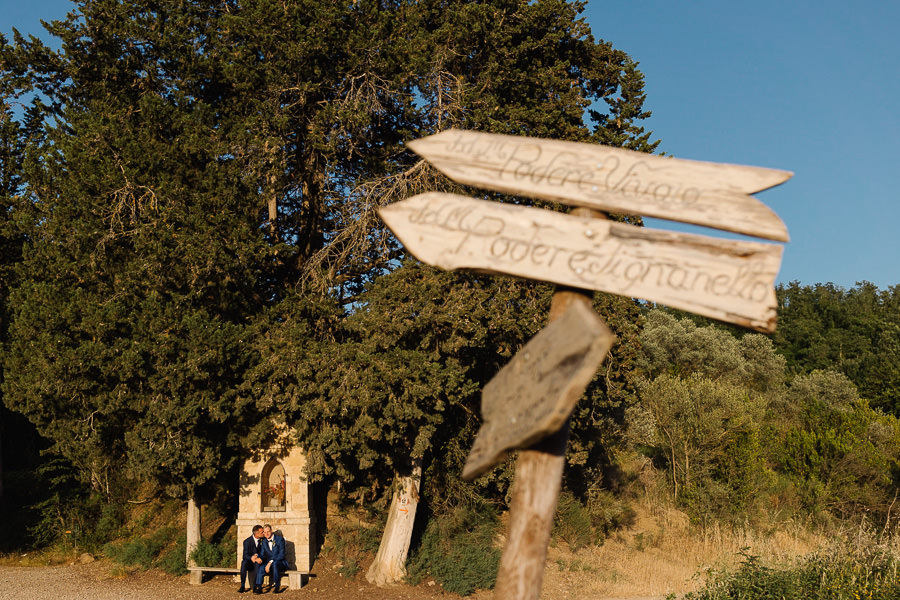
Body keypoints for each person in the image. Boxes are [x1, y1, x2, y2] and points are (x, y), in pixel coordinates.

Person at [255, 523, 289, 594]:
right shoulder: (264, 541)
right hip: (269, 564)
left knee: (275, 564)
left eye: (268, 531)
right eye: (265, 532)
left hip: (280, 563)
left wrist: (270, 562)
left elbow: (281, 555)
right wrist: (258, 558)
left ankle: (277, 586)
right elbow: (262, 554)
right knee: (261, 567)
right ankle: (259, 587)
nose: (267, 534)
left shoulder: (280, 540)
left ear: (271, 531)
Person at [239, 524, 264, 593]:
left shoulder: (263, 541)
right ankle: (242, 585)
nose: (263, 533)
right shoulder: (247, 541)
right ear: (256, 533)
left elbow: (263, 552)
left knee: (257, 564)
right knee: (244, 563)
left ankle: (255, 586)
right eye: (262, 532)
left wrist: (257, 557)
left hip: (257, 561)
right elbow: (245, 555)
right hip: (249, 561)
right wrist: (251, 558)